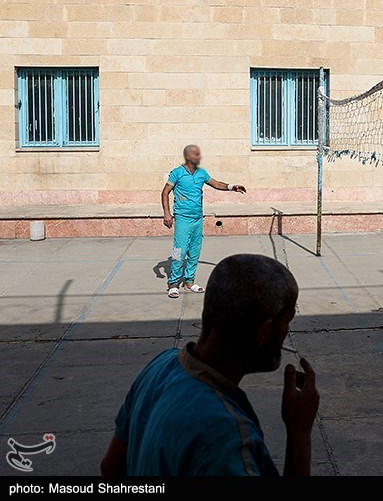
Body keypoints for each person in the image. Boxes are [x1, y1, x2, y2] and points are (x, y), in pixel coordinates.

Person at [100, 254, 319, 476]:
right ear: (265, 332)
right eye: (287, 321)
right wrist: (299, 433)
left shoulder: (160, 366)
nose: (287, 332)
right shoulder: (227, 437)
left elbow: (110, 468)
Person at [161, 145, 246, 298]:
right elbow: (165, 192)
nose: (199, 157)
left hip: (197, 218)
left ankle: (189, 281)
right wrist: (167, 214)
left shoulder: (201, 173)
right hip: (182, 218)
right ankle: (173, 284)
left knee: (194, 251)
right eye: (195, 155)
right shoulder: (177, 173)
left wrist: (232, 187)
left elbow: (216, 183)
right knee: (178, 250)